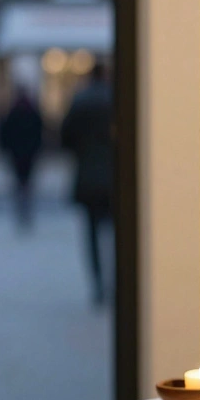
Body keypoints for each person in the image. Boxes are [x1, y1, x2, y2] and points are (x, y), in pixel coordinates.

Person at [60, 63, 113, 306]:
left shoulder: (80, 101)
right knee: (116, 235)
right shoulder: (115, 99)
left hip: (88, 177)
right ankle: (116, 282)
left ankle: (98, 284)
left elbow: (65, 138)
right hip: (115, 179)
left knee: (91, 235)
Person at [0, 89, 44, 232]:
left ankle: (22, 208)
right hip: (28, 154)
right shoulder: (32, 114)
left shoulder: (13, 114)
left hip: (17, 154)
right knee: (26, 183)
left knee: (20, 183)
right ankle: (25, 209)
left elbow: (4, 134)